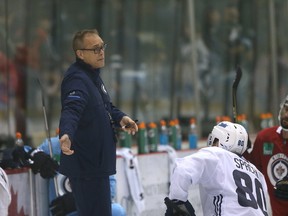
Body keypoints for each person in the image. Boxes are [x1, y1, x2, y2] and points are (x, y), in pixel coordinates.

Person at [58, 29, 138, 216]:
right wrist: (66, 133)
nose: (101, 52)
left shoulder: (92, 76)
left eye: (102, 47)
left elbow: (105, 106)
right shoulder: (77, 79)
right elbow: (72, 108)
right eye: (95, 49)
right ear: (80, 53)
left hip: (96, 165)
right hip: (87, 167)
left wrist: (121, 118)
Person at [165, 121, 269, 216]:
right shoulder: (256, 172)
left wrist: (178, 203)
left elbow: (182, 169)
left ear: (217, 139)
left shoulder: (217, 154)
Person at [37, 130, 126, 216]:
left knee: (117, 211)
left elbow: (111, 189)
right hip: (62, 212)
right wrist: (38, 156)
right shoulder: (51, 146)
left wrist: (78, 200)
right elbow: (27, 153)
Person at [243, 94, 288, 216]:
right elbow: (250, 169)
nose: (287, 115)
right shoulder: (265, 138)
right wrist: (241, 150)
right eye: (286, 109)